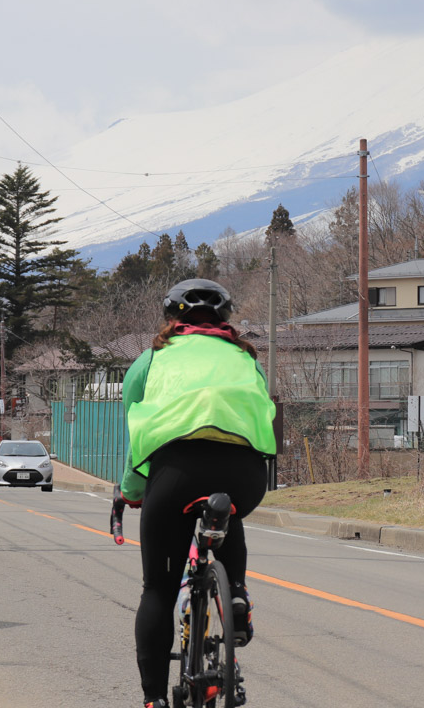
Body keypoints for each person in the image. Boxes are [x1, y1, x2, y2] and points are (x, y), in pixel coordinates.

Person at [115, 278, 275, 708]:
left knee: (158, 591)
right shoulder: (247, 359)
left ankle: (153, 700)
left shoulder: (152, 360)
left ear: (171, 318)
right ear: (225, 320)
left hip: (176, 474)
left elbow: (135, 431)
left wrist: (130, 492)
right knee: (229, 512)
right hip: (246, 473)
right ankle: (236, 593)